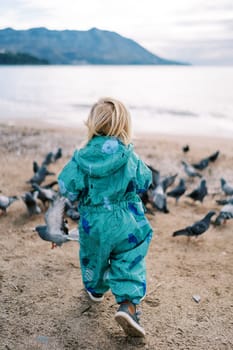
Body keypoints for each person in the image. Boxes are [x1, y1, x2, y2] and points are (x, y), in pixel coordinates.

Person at [58, 97, 153, 337]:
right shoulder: (128, 155)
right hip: (127, 222)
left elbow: (67, 186)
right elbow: (145, 180)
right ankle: (128, 306)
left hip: (94, 223)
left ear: (91, 124)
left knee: (94, 257)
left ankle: (96, 290)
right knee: (130, 258)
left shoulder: (82, 157)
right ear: (124, 126)